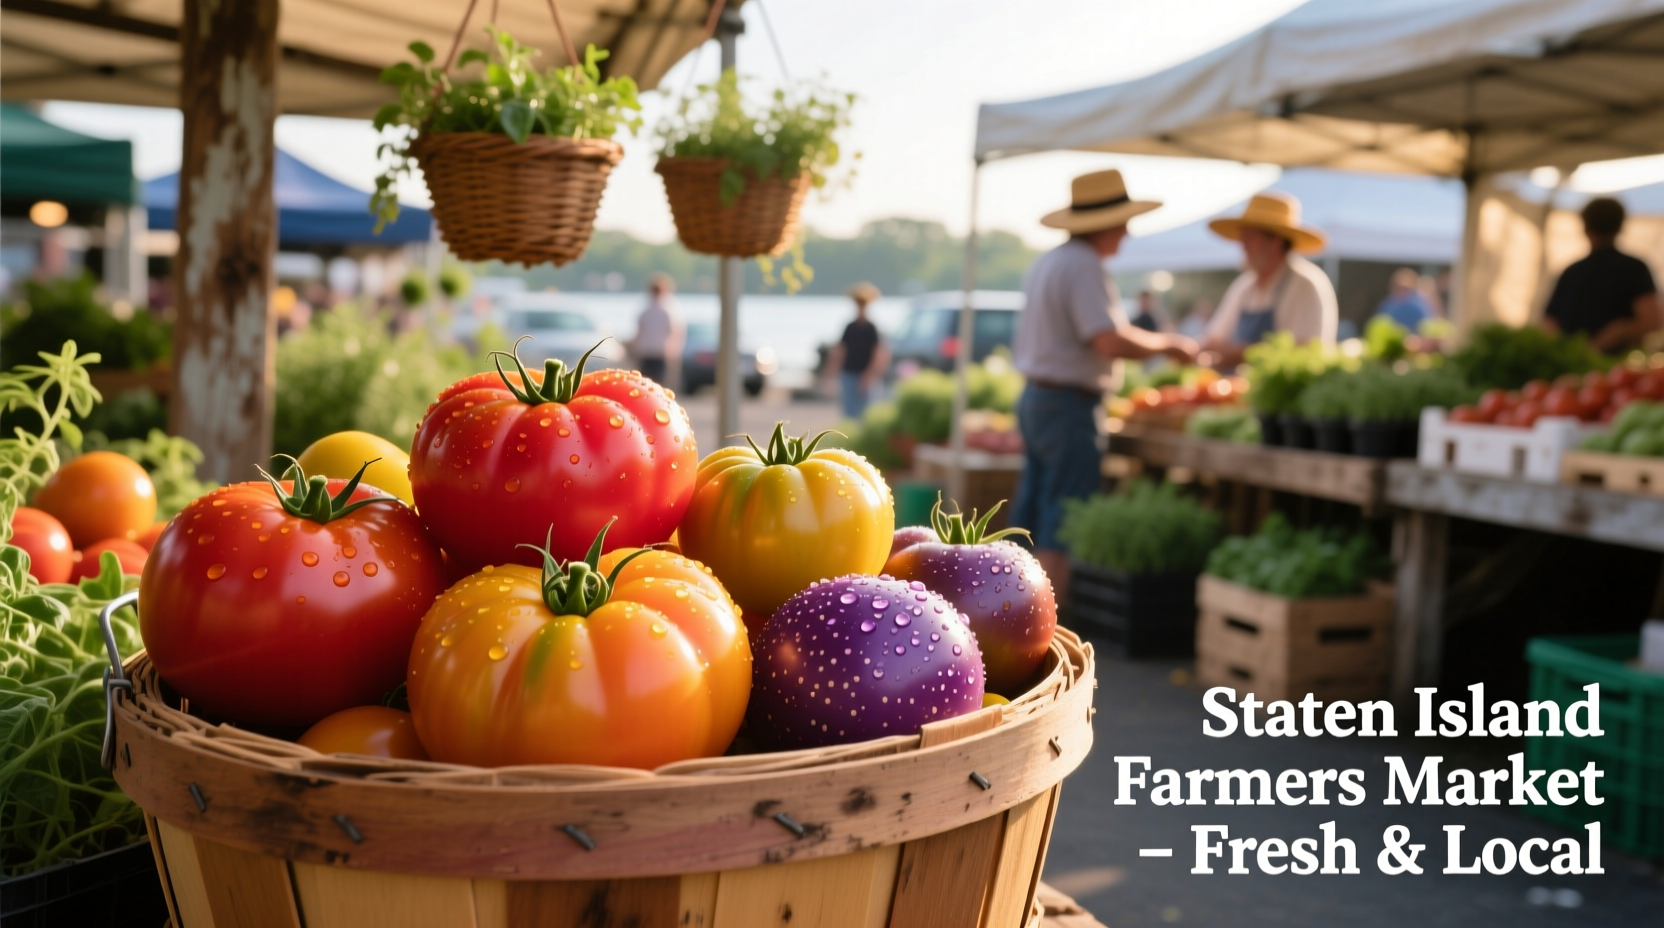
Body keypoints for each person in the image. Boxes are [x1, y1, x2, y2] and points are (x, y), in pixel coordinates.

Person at [1011, 169, 1197, 602]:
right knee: (1063, 515)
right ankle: (1044, 623)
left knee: (1033, 512)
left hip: (1039, 398)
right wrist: (1168, 344)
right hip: (1067, 404)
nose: (1127, 232)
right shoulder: (1083, 264)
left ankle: (1011, 612)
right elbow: (1109, 340)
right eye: (1123, 222)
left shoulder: (1050, 261)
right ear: (1105, 224)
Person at [1201, 192, 1338, 366]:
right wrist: (1189, 348)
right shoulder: (1244, 287)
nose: (1243, 245)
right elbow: (1214, 339)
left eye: (1250, 238)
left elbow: (1307, 351)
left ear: (1275, 241)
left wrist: (1242, 354)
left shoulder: (1306, 285)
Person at [1541, 197, 1661, 352]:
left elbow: (1549, 325)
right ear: (1620, 227)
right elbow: (1652, 321)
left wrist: (1615, 333)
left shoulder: (1571, 272)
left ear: (1585, 227)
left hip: (1578, 362)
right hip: (1617, 364)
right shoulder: (1635, 268)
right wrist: (1617, 332)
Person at [828, 282, 887, 420]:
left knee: (866, 413)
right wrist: (832, 371)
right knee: (849, 413)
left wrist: (869, 375)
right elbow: (841, 350)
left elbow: (878, 353)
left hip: (865, 374)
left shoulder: (871, 328)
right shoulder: (850, 327)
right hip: (849, 373)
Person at [631, 273, 685, 387]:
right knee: (658, 385)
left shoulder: (646, 311)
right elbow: (675, 332)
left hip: (647, 351)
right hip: (660, 352)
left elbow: (639, 332)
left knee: (645, 384)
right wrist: (675, 350)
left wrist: (634, 349)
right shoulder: (668, 310)